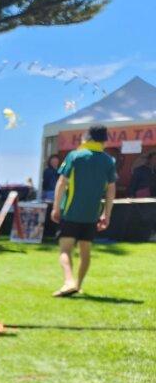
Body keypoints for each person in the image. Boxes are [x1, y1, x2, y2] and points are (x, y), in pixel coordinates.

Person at [50, 125, 117, 297]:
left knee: (65, 249)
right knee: (85, 251)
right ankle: (78, 286)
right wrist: (106, 214)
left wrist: (56, 207)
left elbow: (61, 183)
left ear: (87, 137)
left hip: (71, 211)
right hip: (92, 214)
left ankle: (69, 281)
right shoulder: (108, 161)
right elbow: (111, 189)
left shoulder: (75, 156)